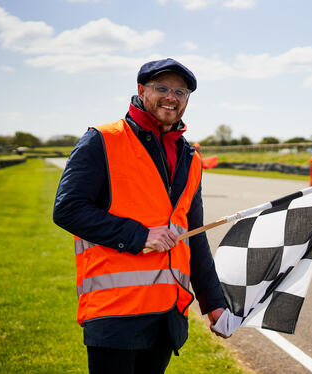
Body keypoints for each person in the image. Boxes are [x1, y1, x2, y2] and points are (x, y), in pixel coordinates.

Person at [53, 58, 229, 374]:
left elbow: (194, 234)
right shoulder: (102, 139)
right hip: (114, 313)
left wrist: (213, 301)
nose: (171, 97)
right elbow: (68, 209)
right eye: (162, 88)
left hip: (167, 316)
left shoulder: (191, 158)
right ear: (141, 90)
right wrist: (140, 235)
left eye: (181, 91)